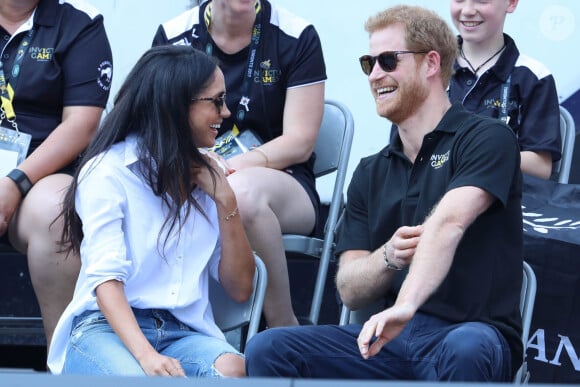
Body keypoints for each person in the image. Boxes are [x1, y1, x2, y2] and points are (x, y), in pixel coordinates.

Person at [246, 5, 523, 382]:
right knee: (270, 347)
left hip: (469, 333)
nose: (376, 75)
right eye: (369, 63)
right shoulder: (369, 170)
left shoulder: (487, 137)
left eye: (389, 61)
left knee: (467, 347)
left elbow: (449, 223)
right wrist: (387, 258)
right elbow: (348, 290)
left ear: (430, 64)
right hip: (391, 339)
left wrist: (405, 305)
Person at [47, 44, 255, 377]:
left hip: (183, 332)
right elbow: (106, 281)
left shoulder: (212, 172)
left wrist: (226, 201)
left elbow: (240, 288)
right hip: (105, 328)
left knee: (234, 369)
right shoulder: (107, 171)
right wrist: (146, 358)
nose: (226, 112)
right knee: (140, 380)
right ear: (176, 105)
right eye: (215, 101)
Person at [152, 0, 326, 327]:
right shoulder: (175, 35)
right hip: (189, 173)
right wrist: (200, 164)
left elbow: (300, 142)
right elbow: (157, 129)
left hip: (279, 179)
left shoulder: (296, 35)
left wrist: (228, 167)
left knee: (239, 195)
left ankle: (283, 328)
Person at [0, 0, 112, 350]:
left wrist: (15, 182)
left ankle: (64, 361)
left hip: (41, 174)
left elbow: (82, 126)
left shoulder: (79, 22)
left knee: (55, 213)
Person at [448, 0, 561, 180]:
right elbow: (402, 151)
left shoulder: (533, 76)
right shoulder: (428, 68)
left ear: (511, 3)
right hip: (429, 199)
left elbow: (541, 166)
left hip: (504, 200)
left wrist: (474, 156)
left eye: (481, 0)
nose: (468, 10)